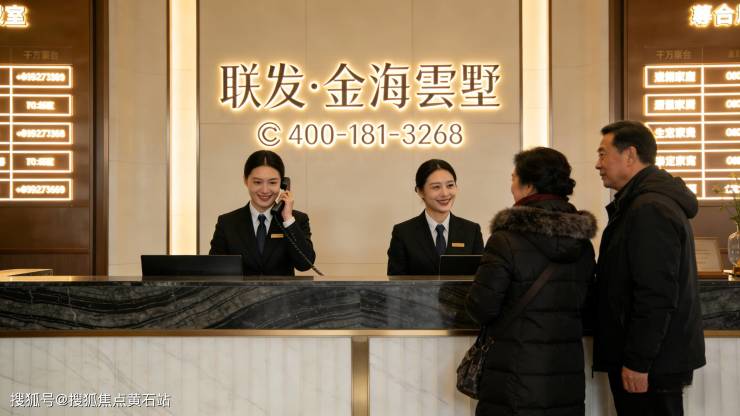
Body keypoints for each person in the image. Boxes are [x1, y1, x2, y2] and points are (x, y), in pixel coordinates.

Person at [466, 147, 596, 416]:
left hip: (513, 377)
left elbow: (482, 307)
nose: (511, 185)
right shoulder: (582, 243)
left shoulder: (505, 239)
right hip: (565, 379)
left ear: (529, 185)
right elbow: (588, 306)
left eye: (514, 178)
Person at [593, 120, 705, 416]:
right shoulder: (641, 203)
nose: (598, 164)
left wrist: (638, 361)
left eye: (603, 154)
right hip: (652, 360)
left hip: (652, 365)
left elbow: (656, 293)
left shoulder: (649, 208)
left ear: (630, 155)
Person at [209, 150, 316, 276]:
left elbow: (305, 264)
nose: (265, 190)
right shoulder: (227, 223)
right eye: (257, 182)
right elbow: (214, 271)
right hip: (240, 290)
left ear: (283, 184)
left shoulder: (296, 220)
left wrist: (287, 219)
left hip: (282, 290)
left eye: (272, 182)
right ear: (245, 180)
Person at [387, 159, 484, 275]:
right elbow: (396, 282)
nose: (445, 193)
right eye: (436, 187)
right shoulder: (403, 233)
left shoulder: (472, 231)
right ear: (420, 191)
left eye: (450, 185)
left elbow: (481, 278)